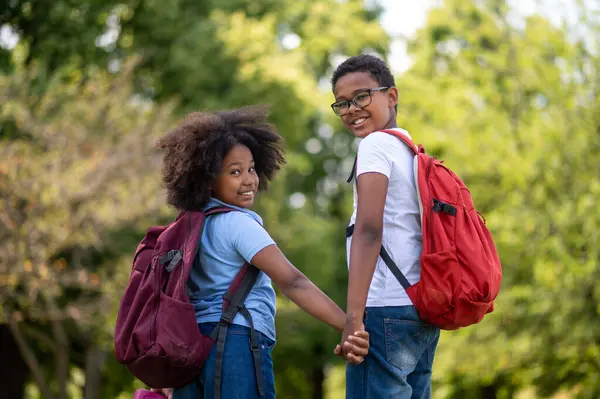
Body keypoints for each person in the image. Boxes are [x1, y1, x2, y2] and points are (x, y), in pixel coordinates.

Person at [154, 105, 369, 399]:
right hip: (235, 344)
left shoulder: (192, 227)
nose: (249, 180)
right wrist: (348, 325)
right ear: (207, 179)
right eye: (234, 172)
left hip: (190, 347)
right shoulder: (238, 224)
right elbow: (293, 281)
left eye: (251, 168)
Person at [331, 54, 441, 398]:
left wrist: (353, 318)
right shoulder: (409, 150)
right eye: (342, 103)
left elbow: (368, 230)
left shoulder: (375, 145)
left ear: (391, 96)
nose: (351, 109)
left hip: (383, 309)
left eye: (362, 96)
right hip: (417, 309)